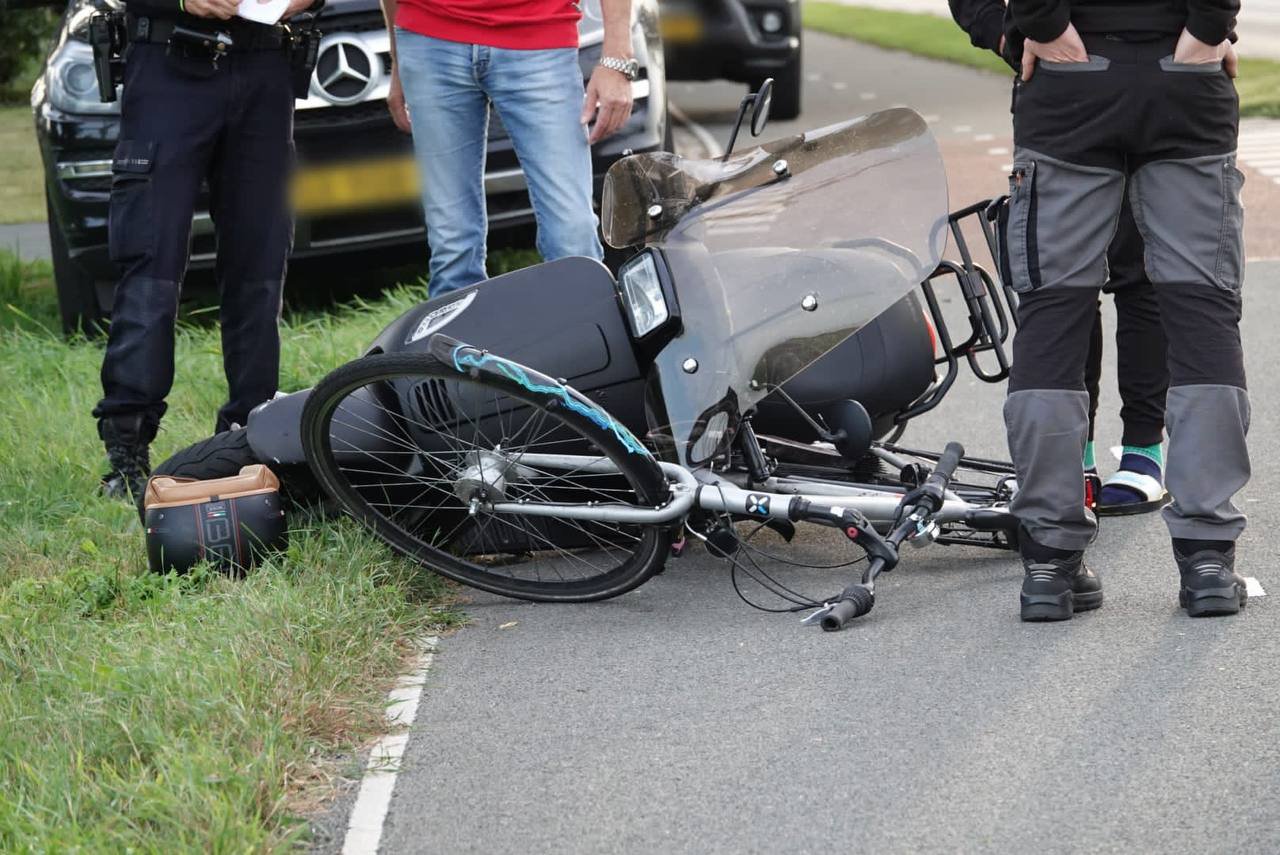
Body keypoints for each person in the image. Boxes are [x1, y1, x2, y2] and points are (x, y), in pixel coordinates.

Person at [1005, 0, 1250, 621]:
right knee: (1202, 313)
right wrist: (1205, 31)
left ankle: (1049, 564)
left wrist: (1039, 29)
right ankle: (1206, 560)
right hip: (1184, 78)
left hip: (1068, 86)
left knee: (1053, 317)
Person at [949, 0, 1171, 514]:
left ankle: (1144, 451)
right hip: (1057, 87)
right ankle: (1078, 453)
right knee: (1064, 283)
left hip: (1153, 76)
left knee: (1141, 272)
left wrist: (1206, 29)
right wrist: (1009, 35)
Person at [94, 0, 319, 499]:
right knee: (151, 259)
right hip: (170, 64)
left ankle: (249, 437)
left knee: (259, 263)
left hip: (267, 65)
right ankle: (127, 450)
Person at [380, 0, 636, 297]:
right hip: (429, 42)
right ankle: (461, 342)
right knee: (451, 248)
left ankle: (587, 336)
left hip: (539, 39)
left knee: (572, 236)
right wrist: (398, 61)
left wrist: (617, 56)